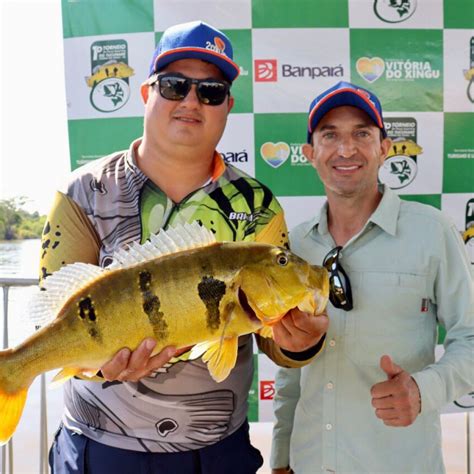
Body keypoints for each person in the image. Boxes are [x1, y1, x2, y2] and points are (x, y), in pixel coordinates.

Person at [41, 20, 329, 474]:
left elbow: (274, 337)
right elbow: (57, 316)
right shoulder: (82, 192)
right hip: (100, 449)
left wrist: (300, 341)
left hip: (216, 451)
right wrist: (100, 365)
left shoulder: (256, 205)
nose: (191, 101)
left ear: (228, 106)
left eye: (210, 91)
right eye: (174, 86)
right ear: (146, 94)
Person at [270, 81, 474, 474]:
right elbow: (290, 370)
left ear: (384, 148)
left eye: (361, 134)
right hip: (309, 464)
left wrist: (422, 390)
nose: (346, 149)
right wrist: (281, 459)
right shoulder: (292, 248)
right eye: (330, 135)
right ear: (310, 153)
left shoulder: (431, 231)